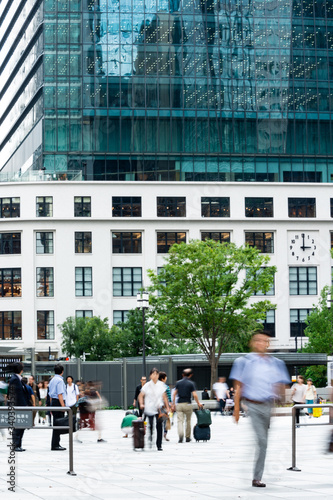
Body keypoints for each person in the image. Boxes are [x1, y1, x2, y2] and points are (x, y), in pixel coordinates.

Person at [230, 331, 290, 488]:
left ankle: (257, 468)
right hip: (252, 405)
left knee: (264, 442)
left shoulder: (276, 363)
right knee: (262, 441)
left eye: (265, 341)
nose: (261, 344)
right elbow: (238, 387)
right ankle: (257, 477)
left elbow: (281, 384)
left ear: (269, 344)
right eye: (258, 340)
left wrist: (282, 398)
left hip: (268, 406)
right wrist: (236, 409)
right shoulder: (243, 362)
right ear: (252, 343)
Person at [138, 368, 171, 451]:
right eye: (153, 374)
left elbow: (164, 396)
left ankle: (159, 444)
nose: (155, 375)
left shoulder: (161, 385)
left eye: (156, 374)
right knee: (151, 425)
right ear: (150, 376)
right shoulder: (147, 385)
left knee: (159, 426)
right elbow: (140, 395)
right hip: (149, 408)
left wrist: (167, 407)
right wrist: (141, 403)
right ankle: (150, 438)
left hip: (158, 408)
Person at [172, 368, 203, 443]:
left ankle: (180, 436)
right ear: (191, 375)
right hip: (188, 403)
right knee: (188, 421)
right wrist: (198, 403)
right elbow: (195, 395)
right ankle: (187, 437)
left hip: (179, 404)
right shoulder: (191, 383)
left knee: (180, 421)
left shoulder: (178, 383)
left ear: (182, 375)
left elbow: (174, 394)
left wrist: (173, 404)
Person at [7, 362, 30, 452]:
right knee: (17, 426)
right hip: (18, 406)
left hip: (21, 406)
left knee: (21, 426)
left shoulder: (17, 379)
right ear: (21, 370)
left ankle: (18, 445)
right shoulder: (15, 379)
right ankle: (16, 445)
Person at [48, 364, 67, 451]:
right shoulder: (59, 381)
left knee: (56, 423)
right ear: (62, 371)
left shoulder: (52, 380)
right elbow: (60, 394)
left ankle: (55, 443)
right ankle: (56, 444)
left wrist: (51, 405)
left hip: (54, 402)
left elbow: (50, 395)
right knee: (58, 424)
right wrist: (63, 406)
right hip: (59, 402)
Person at [158, 371, 172, 441]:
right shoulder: (166, 387)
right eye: (165, 377)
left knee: (158, 421)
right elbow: (169, 397)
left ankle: (158, 434)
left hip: (157, 406)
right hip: (164, 406)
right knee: (166, 421)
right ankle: (165, 434)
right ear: (163, 379)